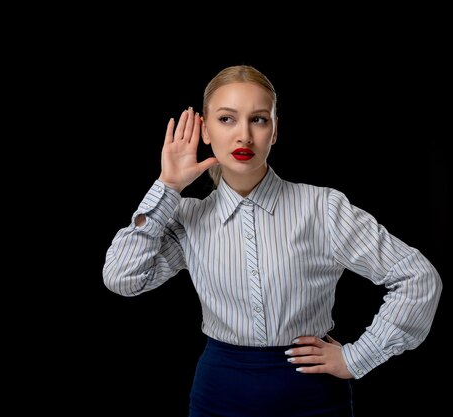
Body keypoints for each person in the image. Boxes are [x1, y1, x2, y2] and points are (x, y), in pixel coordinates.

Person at [102, 65, 442, 417]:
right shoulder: (188, 217)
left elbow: (417, 277)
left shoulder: (321, 208)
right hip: (219, 396)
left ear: (275, 130)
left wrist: (358, 357)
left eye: (259, 120)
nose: (244, 136)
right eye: (227, 119)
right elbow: (123, 278)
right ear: (204, 129)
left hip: (314, 398)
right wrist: (167, 186)